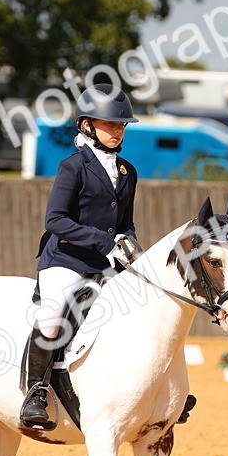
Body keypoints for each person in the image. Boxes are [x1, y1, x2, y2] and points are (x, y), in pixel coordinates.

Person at [20, 84, 142, 430]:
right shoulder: (72, 167)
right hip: (66, 260)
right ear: (87, 124)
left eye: (121, 126)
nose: (118, 131)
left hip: (106, 263)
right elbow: (54, 220)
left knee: (144, 305)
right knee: (53, 316)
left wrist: (128, 244)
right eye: (110, 124)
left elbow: (126, 223)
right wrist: (102, 243)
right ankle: (36, 392)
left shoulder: (127, 172)